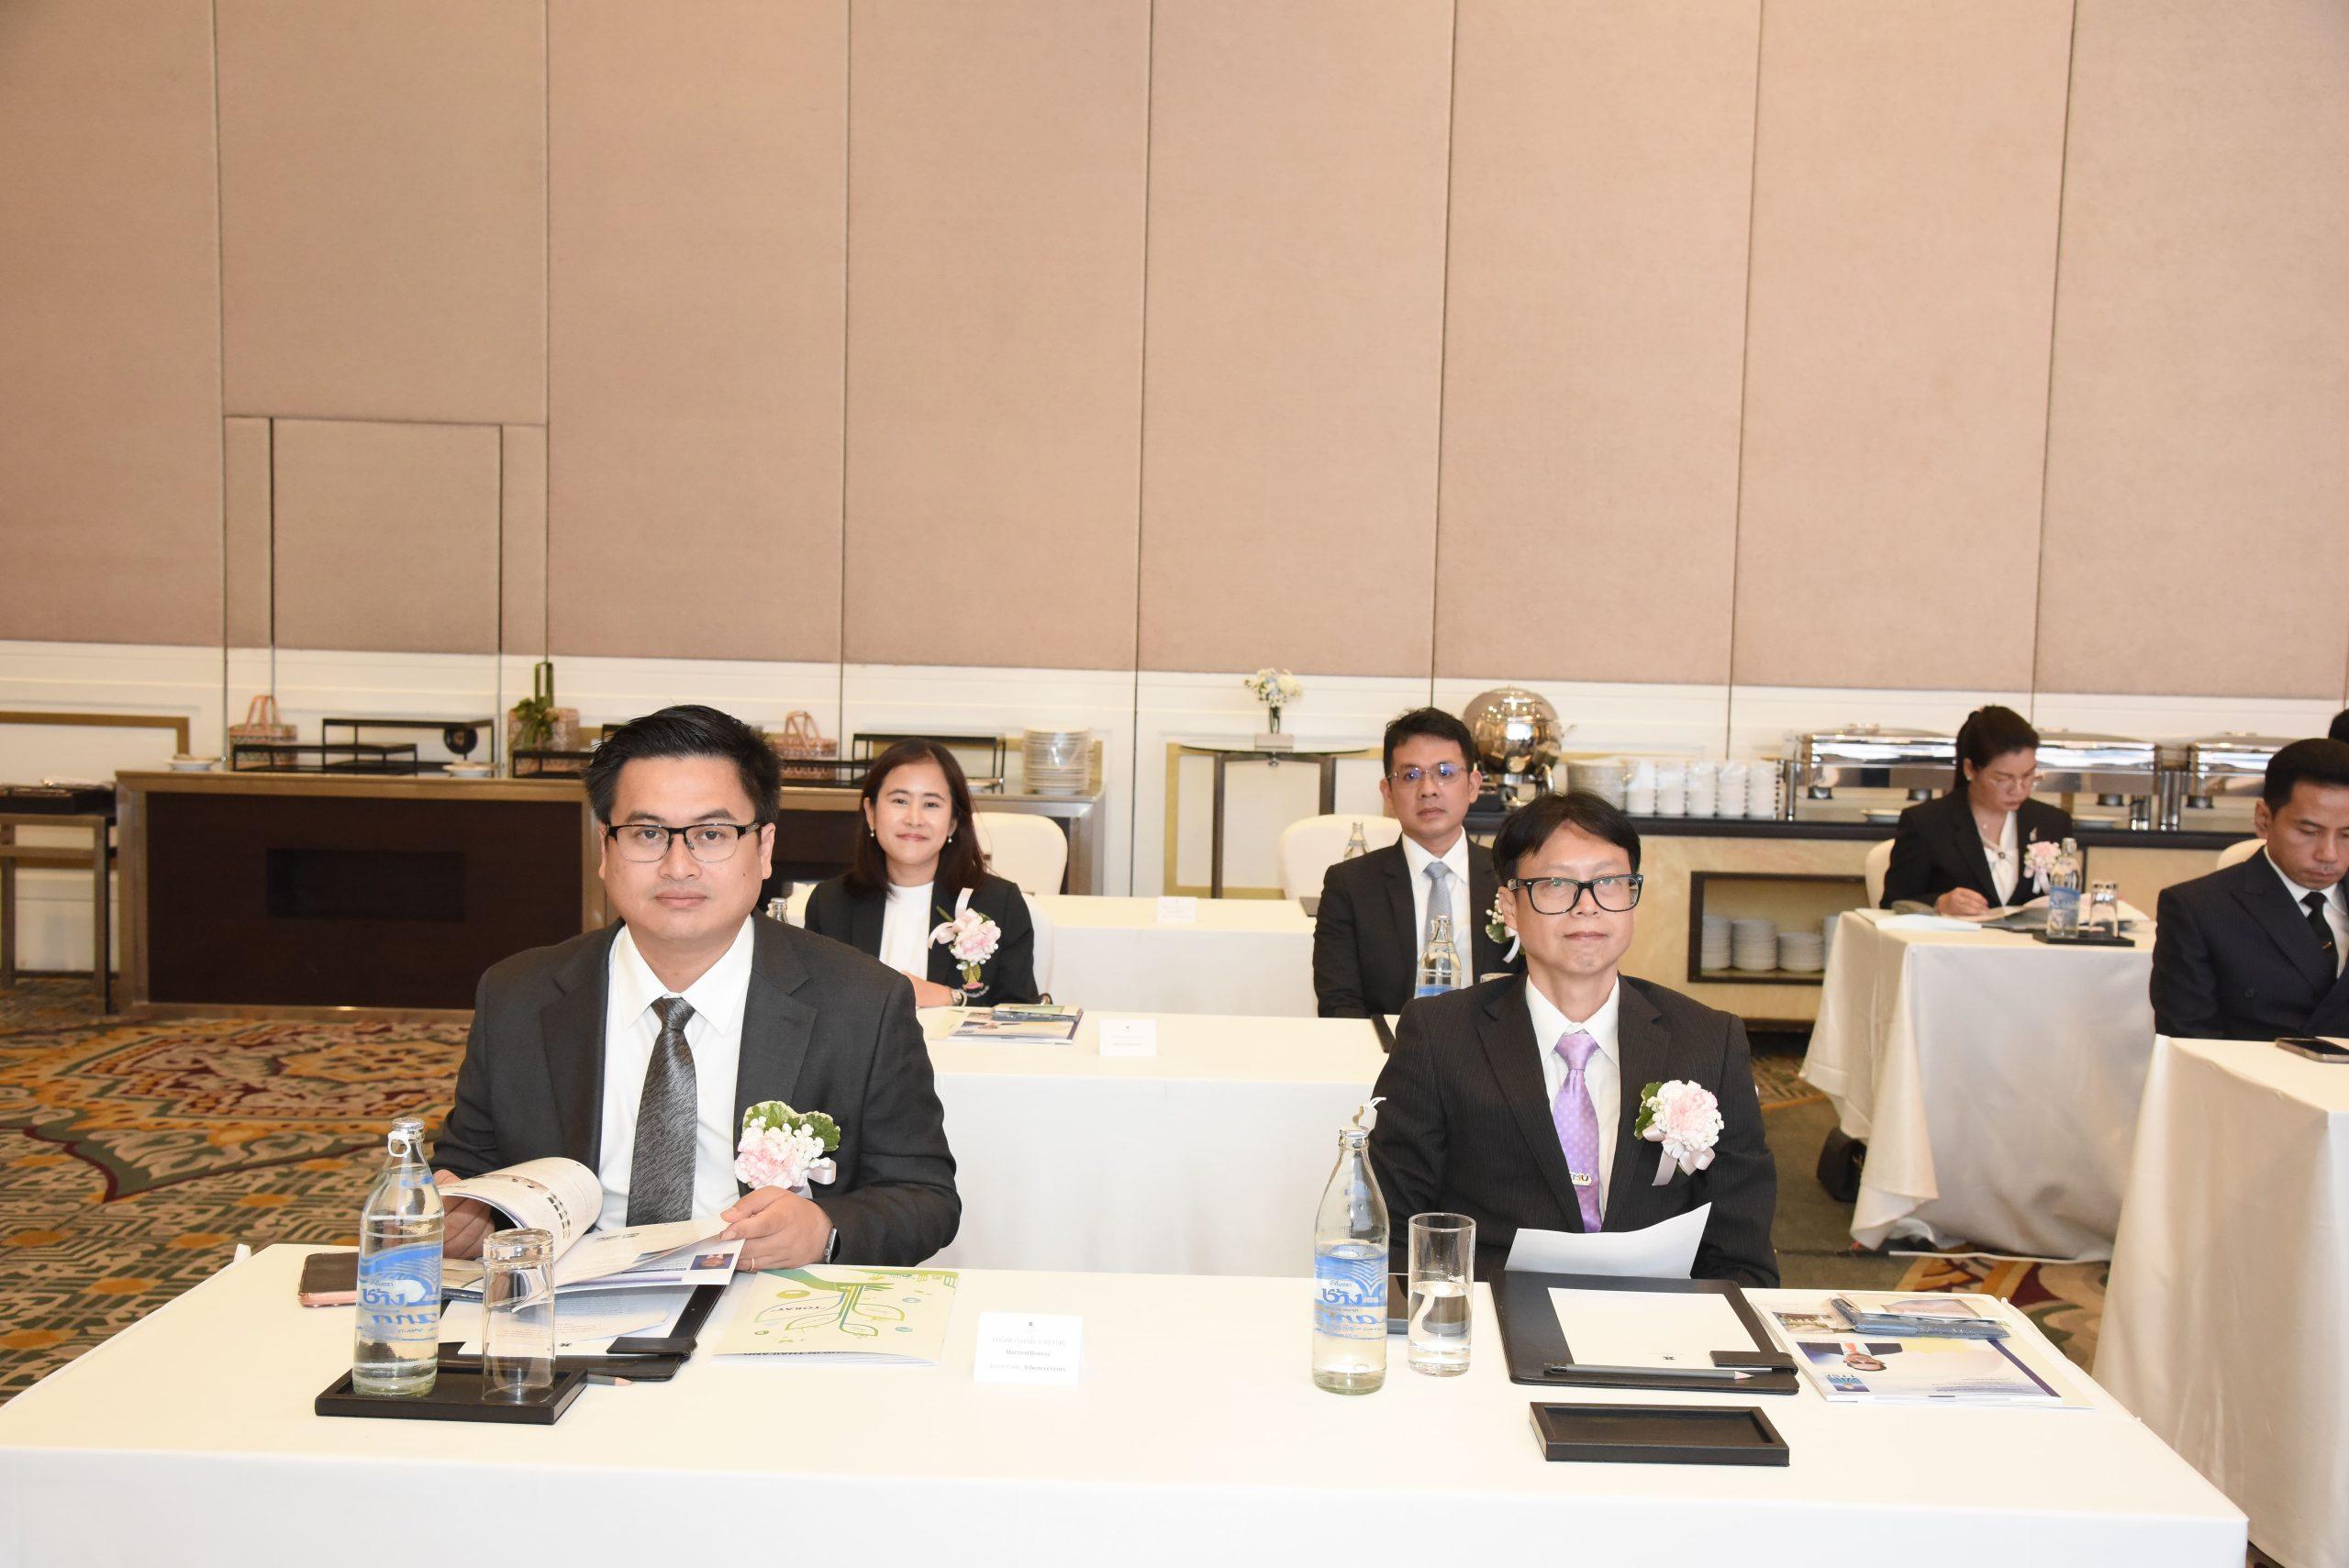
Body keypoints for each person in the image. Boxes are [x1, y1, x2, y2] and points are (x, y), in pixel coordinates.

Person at [432, 705, 959, 1269]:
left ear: (764, 849)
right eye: (647, 834)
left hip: (762, 1300)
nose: (678, 866)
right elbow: (467, 1166)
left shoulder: (862, 1003)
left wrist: (824, 1229)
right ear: (605, 850)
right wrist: (462, 1211)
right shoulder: (518, 995)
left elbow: (925, 1197)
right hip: (564, 1302)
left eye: (711, 834)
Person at [1366, 791, 1777, 1285]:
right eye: (1557, 885)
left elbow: (1742, 1255)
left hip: (1657, 1315)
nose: (1587, 907)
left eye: (1609, 883)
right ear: (1510, 907)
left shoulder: (1709, 1040)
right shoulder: (1440, 1036)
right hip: (1490, 1314)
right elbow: (1391, 1229)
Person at [1312, 707, 1522, 1018]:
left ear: (1473, 785)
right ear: (1388, 792)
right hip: (1387, 1044)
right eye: (1410, 776)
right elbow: (1339, 1003)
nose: (1428, 789)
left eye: (1445, 773)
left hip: (1493, 1043)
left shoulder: (1513, 876)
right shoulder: (1350, 885)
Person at [802, 740, 1040, 1006]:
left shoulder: (1000, 903)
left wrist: (950, 998)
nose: (914, 819)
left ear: (953, 822)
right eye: (900, 801)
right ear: (871, 813)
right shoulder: (830, 903)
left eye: (931, 804)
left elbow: (1021, 1016)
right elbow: (813, 1009)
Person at [2151, 737, 2349, 1040]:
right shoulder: (2198, 909)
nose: (2329, 854)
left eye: (2347, 835)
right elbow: (2189, 1043)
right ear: (2264, 819)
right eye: (2309, 831)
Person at [1881, 705, 2074, 915]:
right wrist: (1939, 904)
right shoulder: (1927, 823)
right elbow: (1892, 904)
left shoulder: (2053, 822)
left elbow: (2066, 902)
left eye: (2028, 776)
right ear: (1970, 769)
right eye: (2003, 779)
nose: (2018, 789)